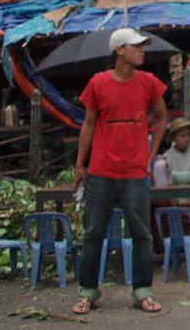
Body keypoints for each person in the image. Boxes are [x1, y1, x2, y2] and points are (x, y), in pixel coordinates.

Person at [72, 28, 168, 315]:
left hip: (136, 173)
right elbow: (88, 125)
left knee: (142, 234)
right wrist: (80, 164)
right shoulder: (98, 83)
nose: (142, 51)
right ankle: (88, 290)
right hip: (101, 171)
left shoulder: (149, 83)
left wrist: (151, 155)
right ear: (119, 51)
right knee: (93, 234)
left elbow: (163, 117)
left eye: (143, 46)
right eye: (136, 46)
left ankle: (143, 290)